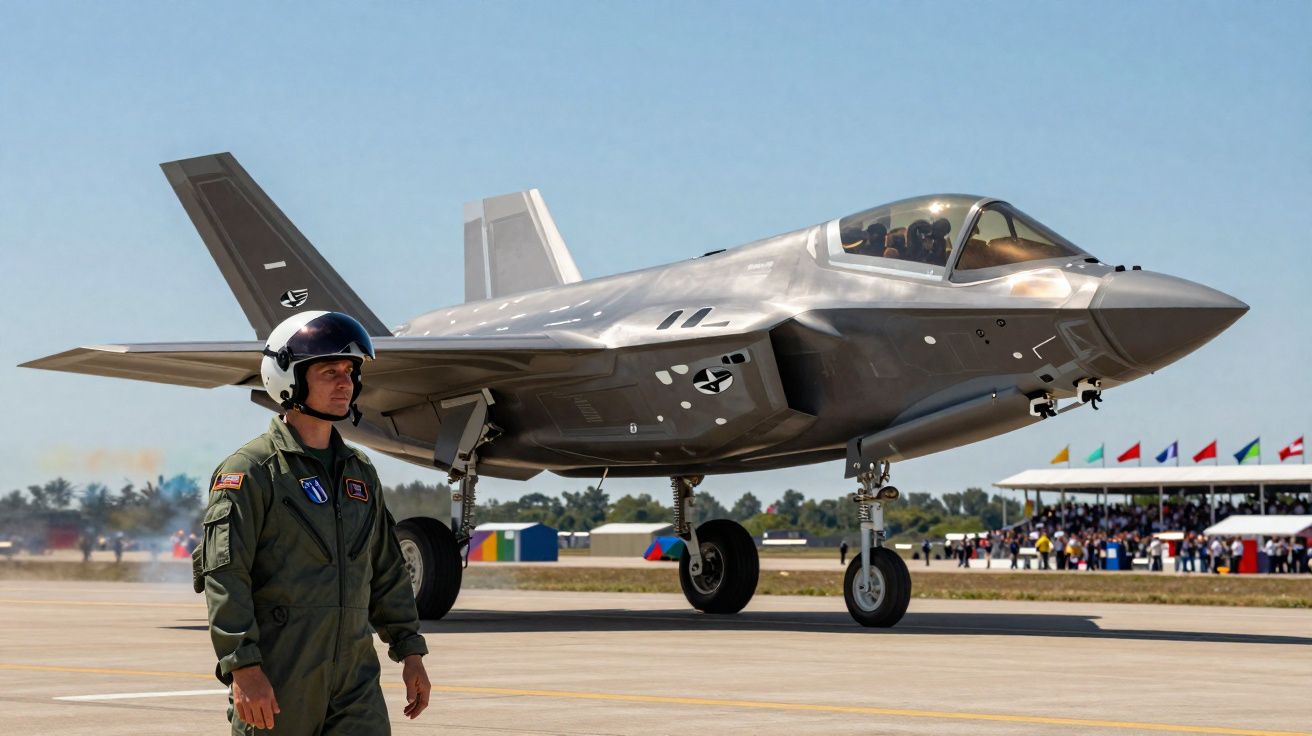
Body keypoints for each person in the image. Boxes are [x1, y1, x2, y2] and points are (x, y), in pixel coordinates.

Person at [197, 311, 430, 734]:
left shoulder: (360, 473)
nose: (346, 383)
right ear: (290, 378)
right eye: (329, 372)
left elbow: (387, 571)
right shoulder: (252, 472)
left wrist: (410, 650)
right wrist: (243, 668)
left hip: (355, 683)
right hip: (280, 678)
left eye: (349, 371)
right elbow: (225, 577)